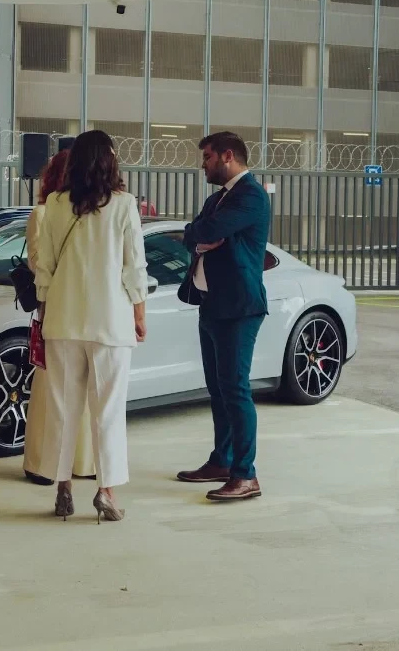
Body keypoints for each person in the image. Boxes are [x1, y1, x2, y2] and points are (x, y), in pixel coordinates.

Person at [32, 129, 148, 523]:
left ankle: (63, 488)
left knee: (64, 408)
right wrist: (139, 314)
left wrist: (45, 311)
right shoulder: (123, 204)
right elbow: (135, 267)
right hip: (110, 321)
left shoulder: (56, 203)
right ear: (109, 160)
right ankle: (106, 492)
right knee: (108, 410)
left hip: (62, 319)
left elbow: (43, 268)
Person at [176, 131, 271, 502]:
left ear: (227, 156)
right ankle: (222, 461)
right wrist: (201, 238)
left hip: (240, 307)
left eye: (207, 157)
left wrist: (206, 235)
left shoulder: (251, 195)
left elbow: (210, 230)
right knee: (218, 390)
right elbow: (192, 234)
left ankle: (246, 475)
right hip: (211, 304)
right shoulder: (217, 198)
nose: (203, 164)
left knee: (235, 389)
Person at [22, 150, 96, 486]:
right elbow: (38, 263)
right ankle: (43, 464)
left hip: (83, 310)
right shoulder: (43, 211)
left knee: (81, 388)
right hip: (54, 308)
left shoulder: (94, 211)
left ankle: (80, 462)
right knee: (52, 389)